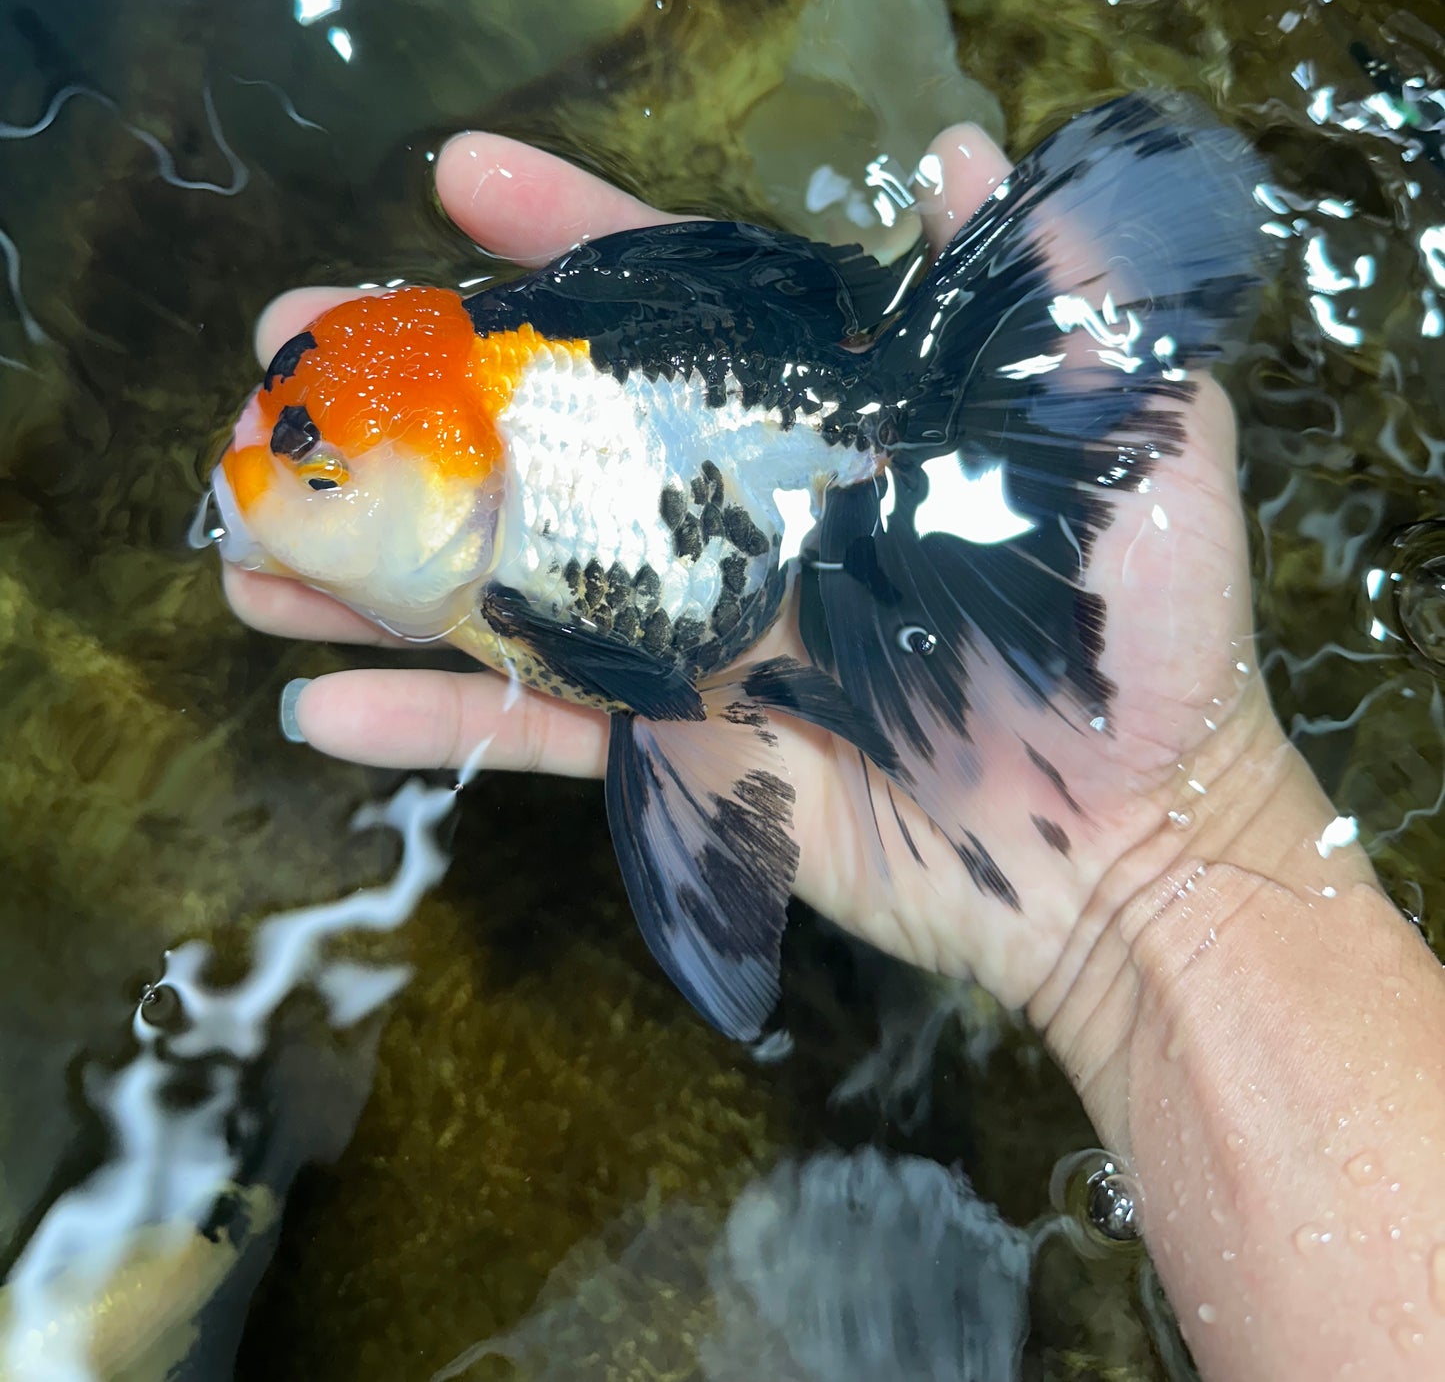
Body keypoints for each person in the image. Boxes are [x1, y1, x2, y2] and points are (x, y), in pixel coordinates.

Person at [224, 119, 1445, 1381]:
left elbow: (654, 695)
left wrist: (1157, 850)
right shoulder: (461, 433)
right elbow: (665, 704)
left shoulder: (512, 529)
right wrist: (1172, 859)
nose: (256, 484)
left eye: (310, 478)